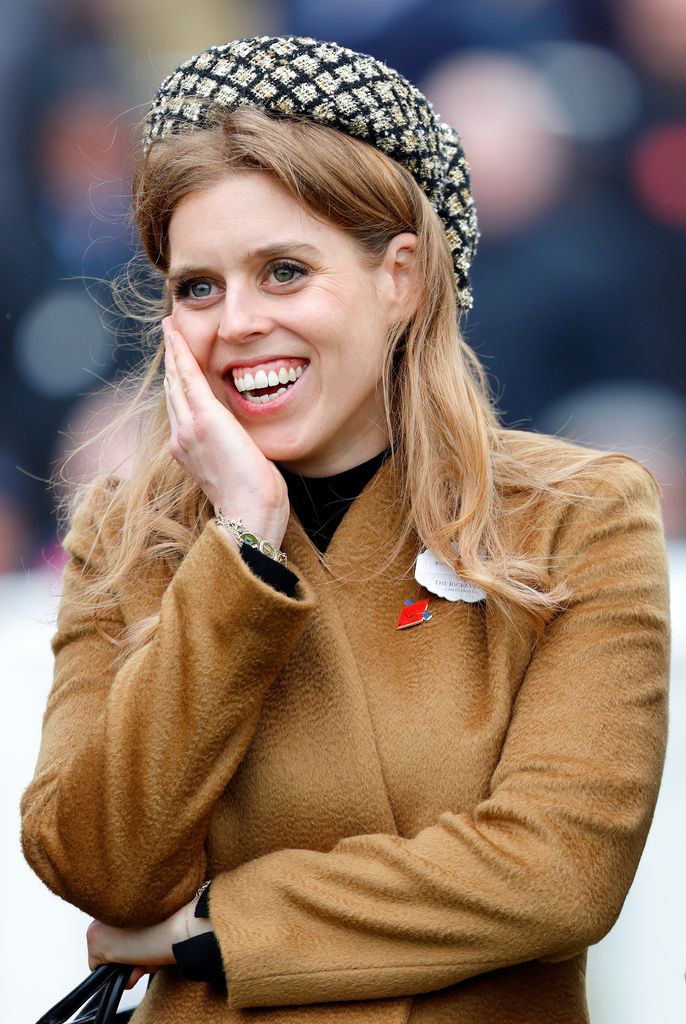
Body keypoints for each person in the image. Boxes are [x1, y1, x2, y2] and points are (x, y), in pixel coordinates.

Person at [20, 35, 670, 1024]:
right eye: (198, 286)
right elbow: (100, 864)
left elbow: (557, 869)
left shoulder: (576, 514)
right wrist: (239, 543)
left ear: (399, 278)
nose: (235, 321)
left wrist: (210, 926)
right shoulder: (131, 532)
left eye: (283, 271)